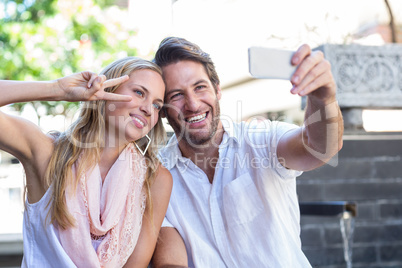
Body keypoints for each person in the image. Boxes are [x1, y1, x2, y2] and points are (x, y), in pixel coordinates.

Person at [150, 37, 344, 268]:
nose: (192, 104)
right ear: (162, 110)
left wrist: (323, 98)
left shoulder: (261, 139)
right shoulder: (156, 176)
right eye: (176, 95)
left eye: (200, 87)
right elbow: (170, 262)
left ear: (217, 89)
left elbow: (321, 148)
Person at [0, 57, 173, 267]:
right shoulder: (47, 153)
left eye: (157, 105)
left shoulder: (155, 179)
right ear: (107, 90)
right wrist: (58, 89)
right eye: (139, 92)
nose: (148, 109)